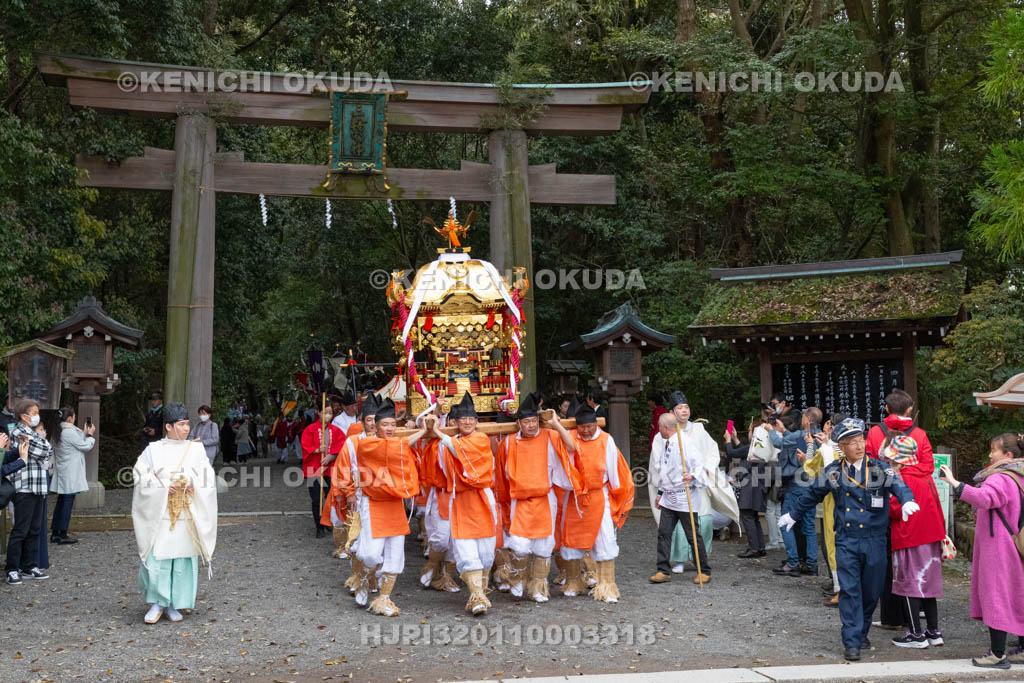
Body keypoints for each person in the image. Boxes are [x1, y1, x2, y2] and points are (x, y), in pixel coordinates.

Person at [779, 417, 918, 661]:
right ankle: (851, 640)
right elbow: (812, 494)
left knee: (870, 592)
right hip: (847, 540)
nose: (859, 446)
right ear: (840, 447)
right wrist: (793, 514)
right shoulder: (833, 472)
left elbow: (898, 484)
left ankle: (861, 631)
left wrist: (907, 500)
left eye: (861, 440)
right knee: (850, 591)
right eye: (852, 442)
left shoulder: (878, 468)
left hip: (875, 540)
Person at [940, 434, 1024, 669]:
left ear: (1008, 455)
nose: (990, 455)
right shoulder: (1020, 475)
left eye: (994, 450)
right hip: (1016, 542)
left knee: (995, 595)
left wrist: (956, 484)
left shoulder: (1001, 477)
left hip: (998, 546)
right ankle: (1022, 649)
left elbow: (986, 499)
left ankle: (997, 654)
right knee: (1016, 594)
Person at [131, 402, 217, 623]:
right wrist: (161, 487)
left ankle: (174, 603)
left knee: (181, 558)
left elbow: (207, 476)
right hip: (161, 512)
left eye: (187, 424)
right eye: (181, 424)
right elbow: (140, 476)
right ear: (168, 427)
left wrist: (193, 484)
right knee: (158, 555)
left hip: (186, 513)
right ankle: (157, 602)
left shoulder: (196, 449)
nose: (186, 429)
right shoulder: (153, 450)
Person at [493, 392, 581, 602]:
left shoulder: (549, 436)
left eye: (534, 421)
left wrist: (556, 424)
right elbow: (500, 476)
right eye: (527, 422)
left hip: (544, 498)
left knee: (544, 545)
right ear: (519, 423)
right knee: (520, 546)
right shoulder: (508, 443)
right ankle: (518, 578)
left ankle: (538, 587)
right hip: (519, 500)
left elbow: (571, 446)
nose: (531, 426)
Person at [350, 398, 425, 615]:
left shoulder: (395, 442)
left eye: (393, 424)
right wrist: (421, 431)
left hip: (394, 503)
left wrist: (423, 429)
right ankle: (364, 580)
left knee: (394, 553)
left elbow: (399, 447)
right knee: (371, 555)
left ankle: (384, 598)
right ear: (376, 426)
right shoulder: (367, 443)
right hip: (373, 504)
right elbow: (395, 448)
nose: (390, 429)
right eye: (385, 425)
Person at [880, 414, 946, 649]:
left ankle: (916, 634)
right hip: (931, 537)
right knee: (928, 585)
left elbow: (895, 511)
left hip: (910, 537)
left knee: (908, 584)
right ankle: (933, 631)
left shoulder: (902, 479)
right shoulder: (925, 475)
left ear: (896, 460)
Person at [558, 400, 634, 602]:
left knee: (605, 538)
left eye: (590, 426)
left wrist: (618, 495)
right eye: (582, 427)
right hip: (574, 496)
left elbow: (614, 470)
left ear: (596, 424)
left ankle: (607, 587)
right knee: (572, 538)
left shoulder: (606, 440)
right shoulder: (571, 437)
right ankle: (573, 582)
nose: (585, 431)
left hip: (599, 496)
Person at [432, 392, 500, 614]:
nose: (468, 422)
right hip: (460, 499)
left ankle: (482, 589)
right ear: (456, 422)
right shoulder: (450, 442)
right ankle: (476, 596)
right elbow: (444, 456)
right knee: (465, 547)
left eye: (471, 419)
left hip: (482, 498)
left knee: (487, 552)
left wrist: (439, 434)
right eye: (463, 419)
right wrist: (436, 422)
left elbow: (458, 450)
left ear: (477, 422)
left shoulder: (480, 439)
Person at [866, 388, 927, 631]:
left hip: (883, 500)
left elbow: (871, 466)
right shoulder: (920, 435)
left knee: (887, 558)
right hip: (912, 500)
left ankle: (892, 617)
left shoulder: (874, 432)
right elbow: (927, 467)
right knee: (912, 556)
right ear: (910, 410)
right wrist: (904, 476)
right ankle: (916, 610)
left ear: (887, 409)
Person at [649, 410, 712, 585]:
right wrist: (660, 493)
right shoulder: (667, 443)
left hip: (685, 498)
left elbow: (700, 465)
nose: (658, 430)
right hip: (669, 496)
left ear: (665, 427)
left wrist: (692, 476)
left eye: (659, 427)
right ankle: (663, 569)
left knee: (692, 535)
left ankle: (704, 570)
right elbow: (664, 471)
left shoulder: (686, 444)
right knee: (664, 533)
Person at [4, 399, 52, 584]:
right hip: (24, 486)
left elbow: (47, 450)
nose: (36, 416)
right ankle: (12, 569)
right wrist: (43, 445)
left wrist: (43, 445)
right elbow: (41, 452)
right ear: (24, 416)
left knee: (35, 529)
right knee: (20, 530)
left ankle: (29, 565)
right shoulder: (18, 431)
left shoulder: (31, 432)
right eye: (34, 412)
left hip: (39, 486)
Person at [773, 407, 823, 577]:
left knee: (786, 521)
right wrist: (784, 430)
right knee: (809, 526)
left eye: (803, 417)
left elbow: (778, 442)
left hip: (797, 485)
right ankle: (811, 563)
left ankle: (793, 561)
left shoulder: (800, 435)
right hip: (813, 486)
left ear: (807, 419)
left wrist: (771, 430)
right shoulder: (822, 437)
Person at [803, 413, 845, 606]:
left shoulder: (827, 450)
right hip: (855, 502)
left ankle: (840, 590)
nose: (825, 428)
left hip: (832, 501)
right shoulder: (852, 447)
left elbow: (810, 468)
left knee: (833, 545)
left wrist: (813, 446)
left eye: (829, 425)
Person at [50, 406, 95, 545]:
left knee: (62, 501)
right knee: (67, 503)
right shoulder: (69, 432)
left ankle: (55, 533)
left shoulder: (59, 431)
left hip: (63, 470)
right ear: (70, 418)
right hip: (71, 472)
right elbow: (85, 446)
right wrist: (90, 436)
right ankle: (62, 533)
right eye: (73, 415)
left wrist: (85, 433)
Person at [725, 419, 768, 558]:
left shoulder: (753, 446)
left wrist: (727, 440)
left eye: (750, 430)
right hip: (758, 485)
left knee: (747, 516)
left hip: (749, 486)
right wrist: (736, 439)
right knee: (753, 517)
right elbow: (745, 452)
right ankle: (760, 547)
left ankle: (754, 548)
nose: (749, 432)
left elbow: (731, 452)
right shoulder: (761, 445)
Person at [300, 407, 346, 537]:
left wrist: (332, 455)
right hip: (313, 469)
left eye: (330, 413)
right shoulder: (310, 429)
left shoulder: (336, 430)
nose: (328, 415)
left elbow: (342, 446)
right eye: (325, 412)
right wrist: (316, 450)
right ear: (319, 413)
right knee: (316, 499)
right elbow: (305, 445)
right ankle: (318, 525)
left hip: (331, 469)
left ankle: (328, 521)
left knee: (330, 497)